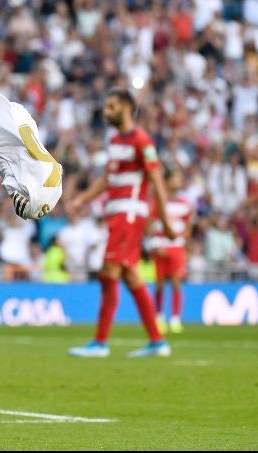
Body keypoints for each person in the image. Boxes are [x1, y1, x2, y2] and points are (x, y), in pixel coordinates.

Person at [66, 88, 176, 359]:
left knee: (109, 271)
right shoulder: (115, 141)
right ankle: (157, 341)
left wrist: (165, 220)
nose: (106, 111)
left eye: (112, 106)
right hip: (116, 214)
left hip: (129, 214)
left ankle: (100, 342)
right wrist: (82, 199)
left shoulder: (143, 141)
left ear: (127, 108)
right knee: (129, 275)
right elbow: (108, 178)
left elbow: (158, 182)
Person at [148, 168, 193, 334]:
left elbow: (187, 228)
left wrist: (184, 248)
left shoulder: (184, 204)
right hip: (161, 247)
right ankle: (159, 317)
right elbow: (150, 226)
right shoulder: (159, 202)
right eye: (175, 178)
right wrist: (155, 244)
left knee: (176, 283)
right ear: (166, 182)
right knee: (159, 284)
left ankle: (175, 319)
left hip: (176, 248)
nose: (178, 181)